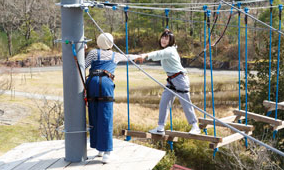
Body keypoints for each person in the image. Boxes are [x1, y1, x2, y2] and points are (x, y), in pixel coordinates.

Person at [85, 32, 138, 163]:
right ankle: (107, 152)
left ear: (98, 43)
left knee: (94, 115)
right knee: (106, 116)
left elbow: (83, 66)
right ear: (112, 44)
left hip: (92, 83)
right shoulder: (115, 56)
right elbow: (129, 57)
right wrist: (141, 56)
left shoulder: (93, 53)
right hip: (106, 85)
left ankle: (99, 148)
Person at [136, 29, 200, 135]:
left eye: (167, 38)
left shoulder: (170, 50)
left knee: (185, 103)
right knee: (164, 102)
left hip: (180, 80)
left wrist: (145, 55)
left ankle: (195, 126)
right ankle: (160, 127)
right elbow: (160, 54)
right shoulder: (168, 50)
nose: (163, 40)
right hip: (171, 80)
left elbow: (159, 54)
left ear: (171, 41)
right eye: (162, 37)